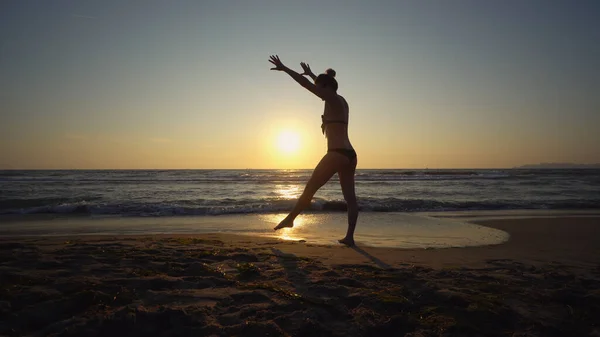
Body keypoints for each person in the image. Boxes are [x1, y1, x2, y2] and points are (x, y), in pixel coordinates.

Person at [268, 55, 358, 246]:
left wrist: (285, 68)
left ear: (326, 88)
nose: (317, 91)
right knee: (350, 198)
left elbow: (306, 85)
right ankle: (350, 237)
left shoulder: (331, 98)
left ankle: (291, 218)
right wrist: (311, 74)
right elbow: (317, 85)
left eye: (319, 87)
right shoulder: (341, 100)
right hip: (350, 155)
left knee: (310, 188)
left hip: (336, 153)